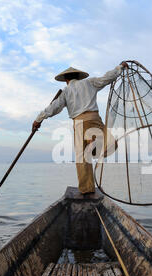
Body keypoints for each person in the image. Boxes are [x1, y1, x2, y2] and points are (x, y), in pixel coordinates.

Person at [33, 62, 128, 194]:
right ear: (78, 77)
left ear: (66, 80)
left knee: (82, 157)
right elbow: (107, 78)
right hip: (95, 119)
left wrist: (38, 119)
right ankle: (93, 144)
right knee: (109, 143)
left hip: (79, 123)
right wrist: (120, 68)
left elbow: (54, 108)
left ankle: (87, 189)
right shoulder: (89, 82)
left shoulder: (66, 91)